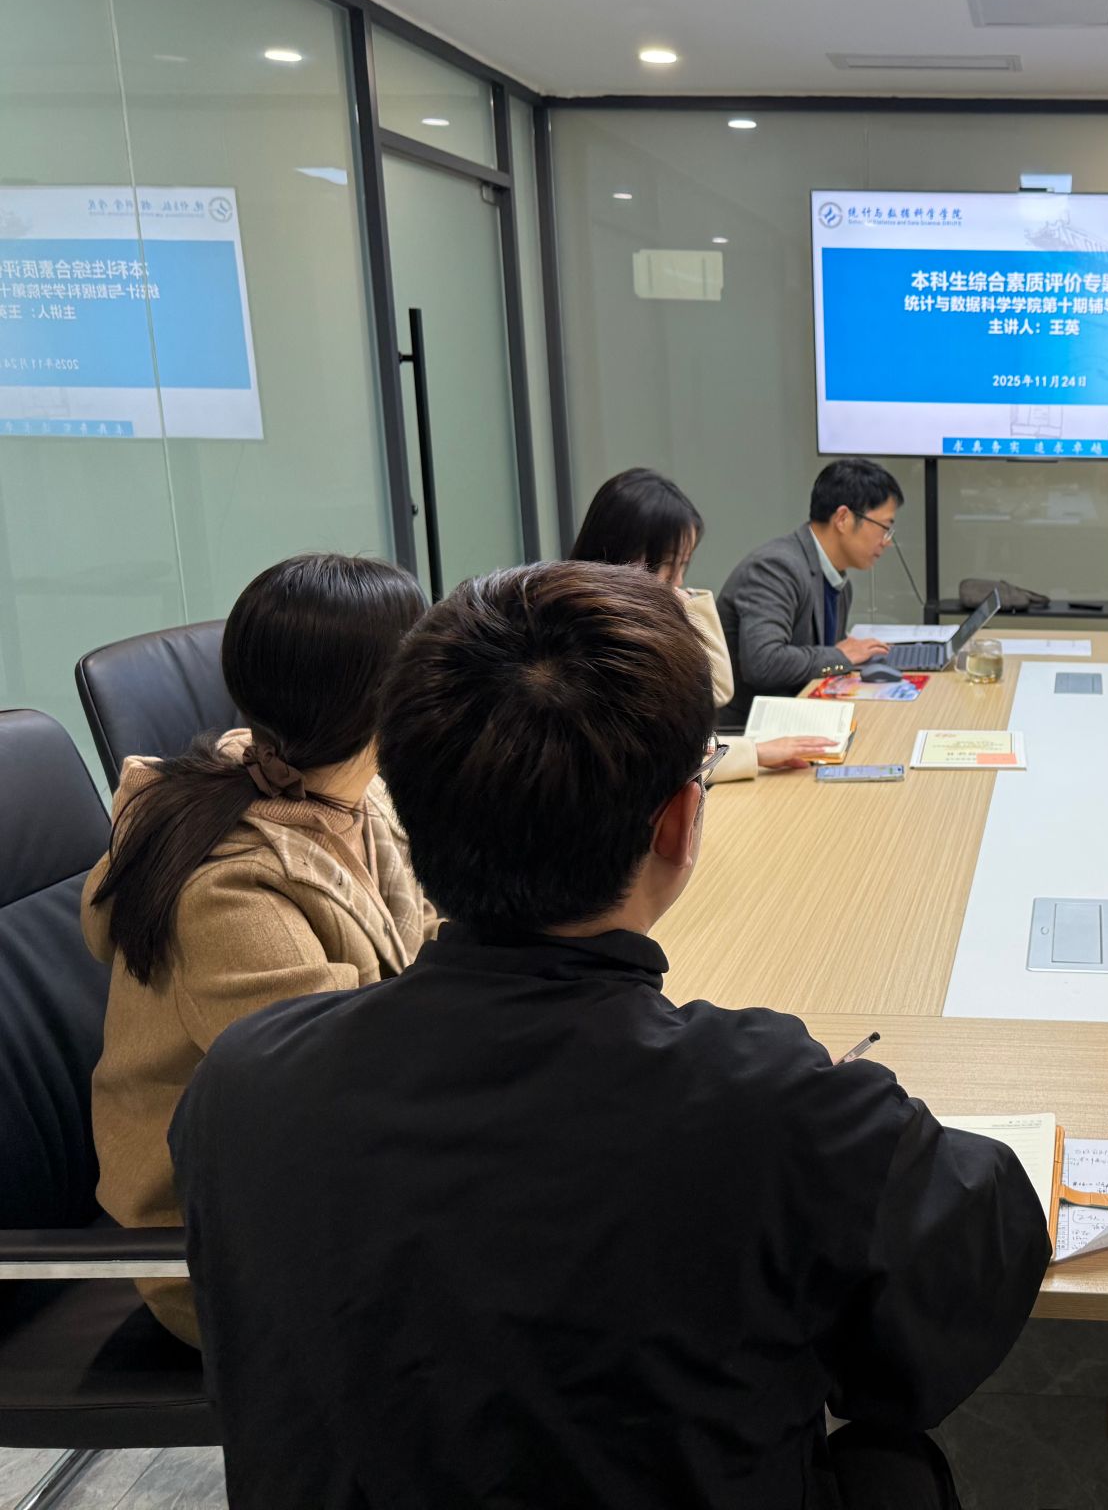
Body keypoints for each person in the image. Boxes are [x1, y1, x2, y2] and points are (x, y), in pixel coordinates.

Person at [169, 561, 1050, 1509]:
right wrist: (848, 1118)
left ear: (409, 811)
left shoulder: (241, 1084)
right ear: (681, 821)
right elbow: (970, 1271)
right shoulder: (772, 1105)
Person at [82, 552, 432, 1346]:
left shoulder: (357, 795)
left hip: (334, 1184)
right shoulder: (227, 892)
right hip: (233, 1249)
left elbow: (428, 933)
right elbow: (337, 1101)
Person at [571, 466, 838, 780]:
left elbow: (712, 697)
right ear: (624, 552)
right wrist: (685, 606)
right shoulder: (590, 634)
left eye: (684, 564)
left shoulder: (624, 615)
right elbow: (706, 703)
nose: (678, 581)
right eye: (669, 564)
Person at [716, 457, 903, 726]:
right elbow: (763, 662)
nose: (887, 542)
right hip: (751, 731)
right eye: (884, 528)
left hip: (800, 717)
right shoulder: (776, 567)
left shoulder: (838, 581)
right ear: (843, 518)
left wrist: (852, 655)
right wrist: (842, 656)